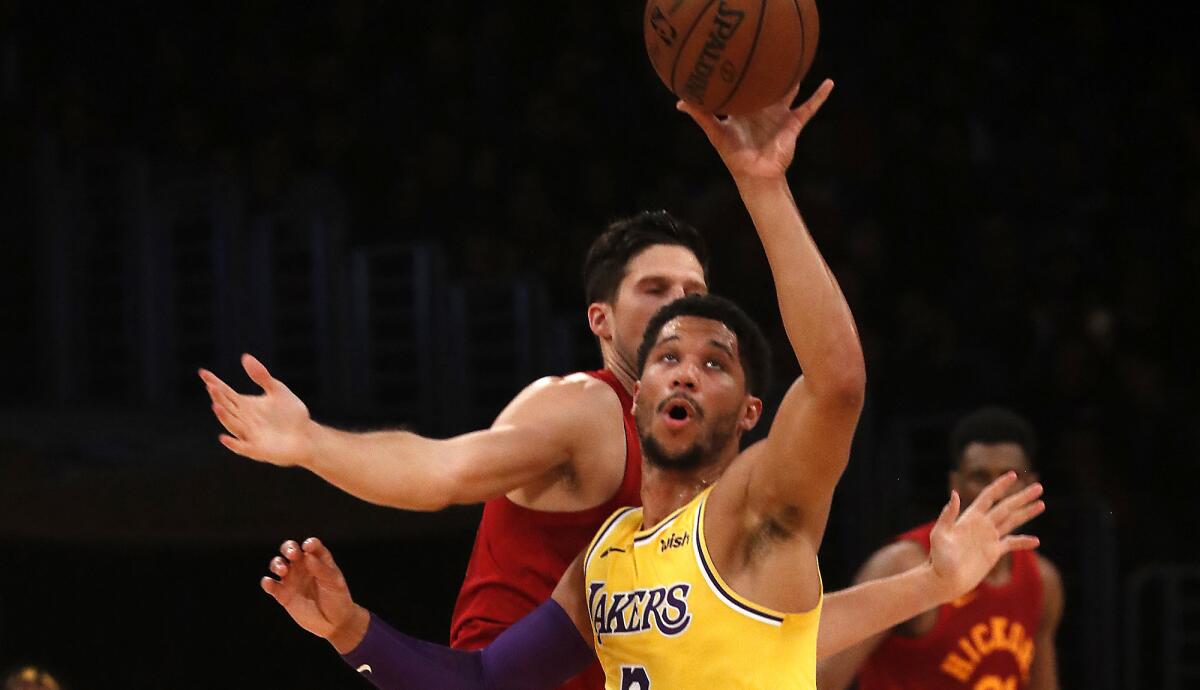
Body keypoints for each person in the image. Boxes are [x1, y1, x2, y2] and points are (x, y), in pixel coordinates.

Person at [258, 81, 1048, 689]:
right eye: (667, 353)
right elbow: (487, 681)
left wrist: (764, 189)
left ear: (748, 415)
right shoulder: (608, 558)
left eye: (715, 361)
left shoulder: (759, 506)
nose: (684, 366)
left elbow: (838, 381)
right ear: (631, 390)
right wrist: (350, 629)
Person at [201, 206, 710, 688]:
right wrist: (311, 442)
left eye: (694, 290)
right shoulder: (586, 409)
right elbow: (443, 471)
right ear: (601, 319)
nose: (680, 302)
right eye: (655, 288)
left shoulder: (696, 444)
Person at [816, 406, 1063, 690]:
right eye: (980, 476)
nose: (994, 491)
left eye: (1007, 477)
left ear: (1031, 485)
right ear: (954, 484)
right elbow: (823, 678)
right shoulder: (903, 563)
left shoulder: (1042, 580)